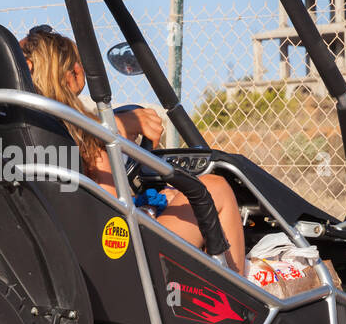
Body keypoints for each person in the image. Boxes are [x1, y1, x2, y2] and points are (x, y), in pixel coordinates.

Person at [19, 26, 249, 271]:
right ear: (74, 72)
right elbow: (112, 218)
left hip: (66, 256)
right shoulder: (88, 140)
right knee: (215, 189)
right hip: (120, 264)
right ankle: (241, 301)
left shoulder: (21, 131)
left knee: (173, 198)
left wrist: (146, 203)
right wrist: (112, 129)